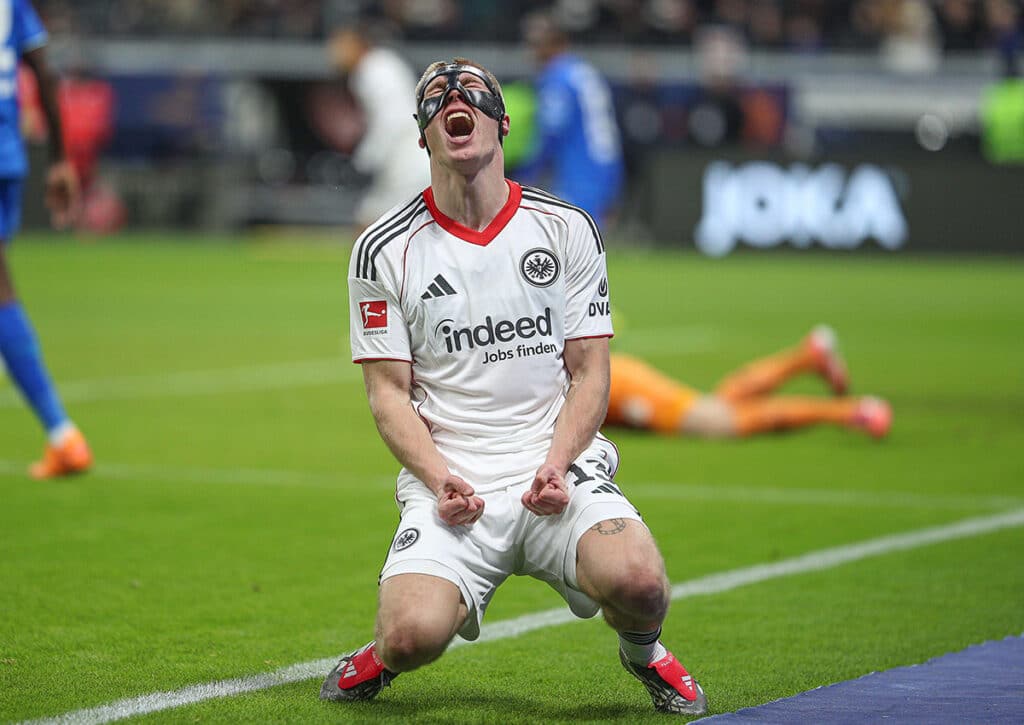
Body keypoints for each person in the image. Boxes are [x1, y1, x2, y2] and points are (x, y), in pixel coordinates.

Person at [320, 58, 707, 716]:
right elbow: (387, 393)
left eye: (470, 93)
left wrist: (557, 464)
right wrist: (440, 477)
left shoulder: (565, 229)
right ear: (423, 136)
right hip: (454, 482)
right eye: (436, 99)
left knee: (641, 584)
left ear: (501, 123)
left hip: (556, 467)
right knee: (412, 634)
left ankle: (644, 652)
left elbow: (590, 372)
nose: (452, 101)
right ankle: (379, 657)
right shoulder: (383, 248)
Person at [0, 0, 91, 479]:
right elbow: (43, 69)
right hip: (7, 155)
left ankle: (62, 433)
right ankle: (61, 435)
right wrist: (58, 158)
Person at [606, 326, 892, 439]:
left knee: (721, 422)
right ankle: (807, 358)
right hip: (618, 375)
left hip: (617, 385)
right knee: (724, 403)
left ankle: (852, 412)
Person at [512, 11, 625, 225]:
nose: (532, 51)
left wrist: (528, 172)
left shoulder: (558, 78)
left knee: (575, 241)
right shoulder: (584, 71)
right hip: (605, 162)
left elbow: (551, 133)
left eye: (536, 44)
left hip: (579, 169)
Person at [327, 22, 431, 232]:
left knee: (369, 225)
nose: (334, 53)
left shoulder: (374, 70)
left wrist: (363, 162)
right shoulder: (377, 66)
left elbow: (391, 122)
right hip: (403, 161)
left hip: (407, 162)